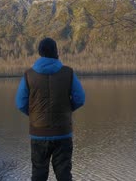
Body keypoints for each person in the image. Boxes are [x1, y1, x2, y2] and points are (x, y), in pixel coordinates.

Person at [15, 37, 86, 181]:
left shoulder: (29, 75)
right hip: (63, 133)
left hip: (38, 134)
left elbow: (20, 103)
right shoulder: (68, 72)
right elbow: (80, 99)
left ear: (40, 52)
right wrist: (67, 110)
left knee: (39, 174)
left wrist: (35, 114)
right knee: (64, 175)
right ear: (56, 51)